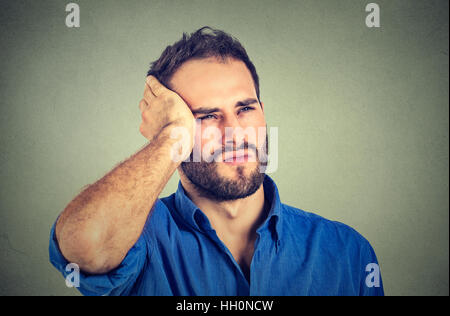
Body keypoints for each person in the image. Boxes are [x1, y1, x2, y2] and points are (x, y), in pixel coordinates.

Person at [49, 26, 384, 296]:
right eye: (207, 116)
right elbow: (84, 247)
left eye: (245, 108)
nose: (235, 132)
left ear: (263, 112)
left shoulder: (347, 254)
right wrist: (171, 138)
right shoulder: (136, 242)